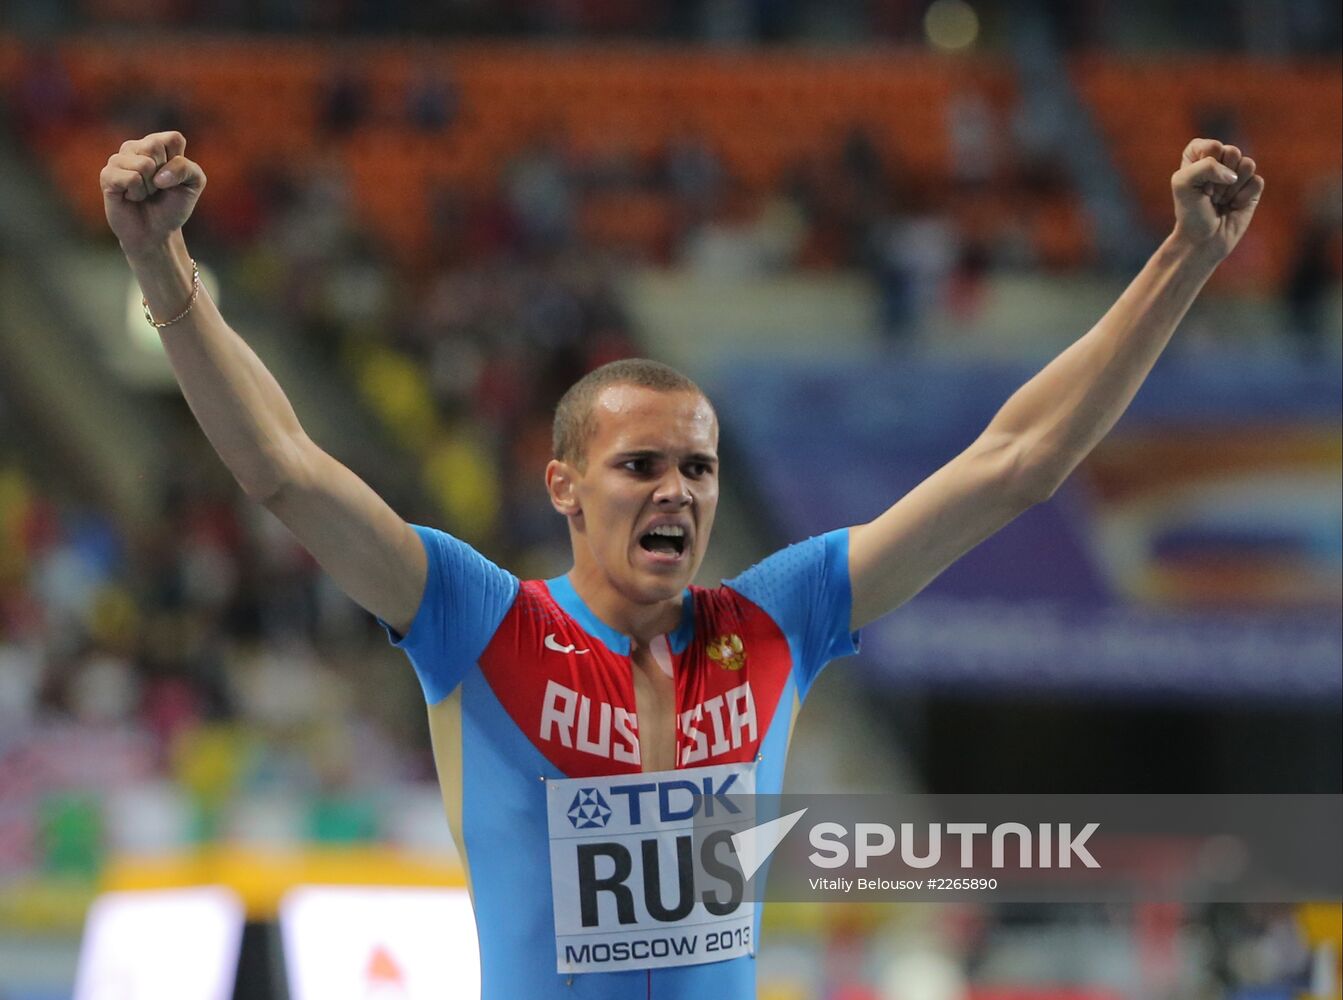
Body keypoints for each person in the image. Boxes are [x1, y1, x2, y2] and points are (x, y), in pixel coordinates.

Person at [100, 130, 1263, 999]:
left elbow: (1015, 461)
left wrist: (1180, 258)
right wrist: (166, 274)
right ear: (563, 485)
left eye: (698, 470)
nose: (677, 491)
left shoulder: (779, 619)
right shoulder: (478, 623)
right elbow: (285, 469)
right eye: (639, 465)